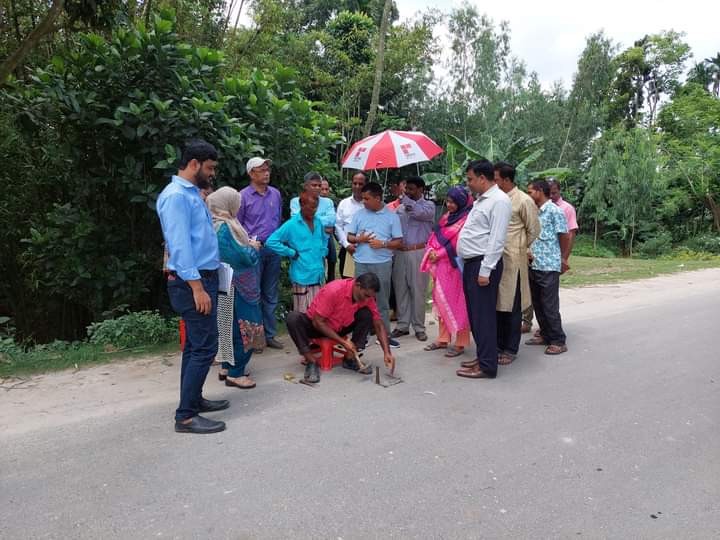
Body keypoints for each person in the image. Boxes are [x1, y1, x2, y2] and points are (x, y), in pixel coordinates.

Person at [156, 139, 228, 434]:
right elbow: (180, 247)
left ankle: (194, 400)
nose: (212, 174)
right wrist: (197, 287)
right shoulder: (176, 196)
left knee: (196, 346)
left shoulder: (190, 194)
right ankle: (185, 416)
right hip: (192, 283)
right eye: (209, 168)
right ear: (195, 164)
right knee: (205, 347)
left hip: (202, 278)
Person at [455, 159, 512, 380]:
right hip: (472, 263)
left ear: (481, 178)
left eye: (470, 179)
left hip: (483, 264)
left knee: (483, 317)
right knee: (476, 316)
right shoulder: (482, 200)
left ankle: (488, 365)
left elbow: (497, 239)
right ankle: (483, 356)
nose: (468, 183)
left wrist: (485, 271)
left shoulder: (499, 201)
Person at [286, 273, 396, 383]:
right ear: (357, 285)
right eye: (366, 296)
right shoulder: (334, 290)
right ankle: (311, 361)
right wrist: (343, 342)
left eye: (371, 297)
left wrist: (387, 352)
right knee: (293, 318)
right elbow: (317, 322)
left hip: (339, 327)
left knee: (366, 314)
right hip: (317, 326)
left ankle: (350, 358)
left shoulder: (368, 297)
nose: (368, 300)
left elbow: (378, 324)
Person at [207, 187, 264, 390]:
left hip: (225, 283)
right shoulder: (224, 228)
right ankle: (236, 373)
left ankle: (226, 366)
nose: (239, 205)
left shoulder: (215, 223)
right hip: (239, 284)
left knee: (228, 326)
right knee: (247, 326)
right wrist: (253, 248)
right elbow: (241, 257)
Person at [346, 182, 403, 348]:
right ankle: (360, 335)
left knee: (382, 301)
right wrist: (359, 239)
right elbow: (349, 236)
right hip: (361, 263)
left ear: (378, 198)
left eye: (367, 198)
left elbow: (398, 241)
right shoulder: (359, 215)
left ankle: (384, 334)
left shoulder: (392, 216)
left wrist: (383, 244)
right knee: (358, 299)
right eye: (363, 198)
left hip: (382, 264)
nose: (363, 201)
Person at [494, 161, 540, 365]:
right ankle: (497, 344)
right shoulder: (495, 198)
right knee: (497, 305)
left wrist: (519, 246)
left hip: (513, 260)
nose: (493, 182)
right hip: (494, 259)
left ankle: (510, 349)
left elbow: (534, 230)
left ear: (506, 179)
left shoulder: (523, 200)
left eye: (495, 179)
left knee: (511, 305)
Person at [237, 157, 284, 351]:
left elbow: (278, 219)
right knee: (252, 293)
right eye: (261, 170)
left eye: (267, 169)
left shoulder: (275, 194)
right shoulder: (242, 197)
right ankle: (255, 339)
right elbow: (237, 226)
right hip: (253, 250)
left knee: (270, 293)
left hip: (273, 248)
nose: (266, 173)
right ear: (251, 173)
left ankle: (270, 334)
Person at [420, 186, 473, 357]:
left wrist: (440, 253)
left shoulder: (466, 219)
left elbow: (459, 243)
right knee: (442, 303)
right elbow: (434, 236)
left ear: (461, 202)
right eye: (448, 201)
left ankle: (461, 343)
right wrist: (431, 250)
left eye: (453, 202)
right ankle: (443, 339)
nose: (449, 205)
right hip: (441, 268)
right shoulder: (446, 218)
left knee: (458, 304)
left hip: (455, 267)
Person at [522, 178, 578, 333]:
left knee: (549, 305)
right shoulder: (534, 211)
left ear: (539, 191)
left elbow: (564, 236)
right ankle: (545, 334)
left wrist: (561, 258)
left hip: (549, 266)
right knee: (538, 304)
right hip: (534, 264)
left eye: (530, 192)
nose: (528, 195)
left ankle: (558, 340)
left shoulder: (555, 211)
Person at [390, 176, 435, 342]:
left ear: (421, 189)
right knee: (401, 289)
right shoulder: (400, 208)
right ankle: (402, 325)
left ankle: (419, 327)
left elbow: (419, 213)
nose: (408, 191)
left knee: (418, 290)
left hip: (418, 252)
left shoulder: (428, 206)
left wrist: (404, 198)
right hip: (400, 252)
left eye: (411, 189)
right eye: (406, 188)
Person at [267, 191, 327, 312]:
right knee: (303, 313)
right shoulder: (291, 224)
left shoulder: (318, 222)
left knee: (319, 312)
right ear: (302, 205)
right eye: (311, 207)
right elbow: (271, 241)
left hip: (318, 274)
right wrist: (291, 252)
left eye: (316, 207)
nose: (314, 210)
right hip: (302, 275)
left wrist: (323, 252)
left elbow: (324, 239)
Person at [290, 172, 337, 282]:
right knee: (302, 285)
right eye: (314, 185)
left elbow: (332, 222)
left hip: (320, 250)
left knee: (318, 283)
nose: (317, 188)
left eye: (319, 185)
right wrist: (322, 224)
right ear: (306, 186)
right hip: (302, 250)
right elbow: (297, 224)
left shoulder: (328, 202)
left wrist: (309, 219)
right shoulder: (296, 202)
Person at [335, 171, 367, 278]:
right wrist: (347, 245)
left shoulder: (371, 205)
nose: (357, 186)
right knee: (347, 284)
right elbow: (338, 226)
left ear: (365, 185)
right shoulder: (344, 204)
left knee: (365, 284)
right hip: (347, 250)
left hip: (367, 251)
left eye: (360, 184)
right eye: (355, 183)